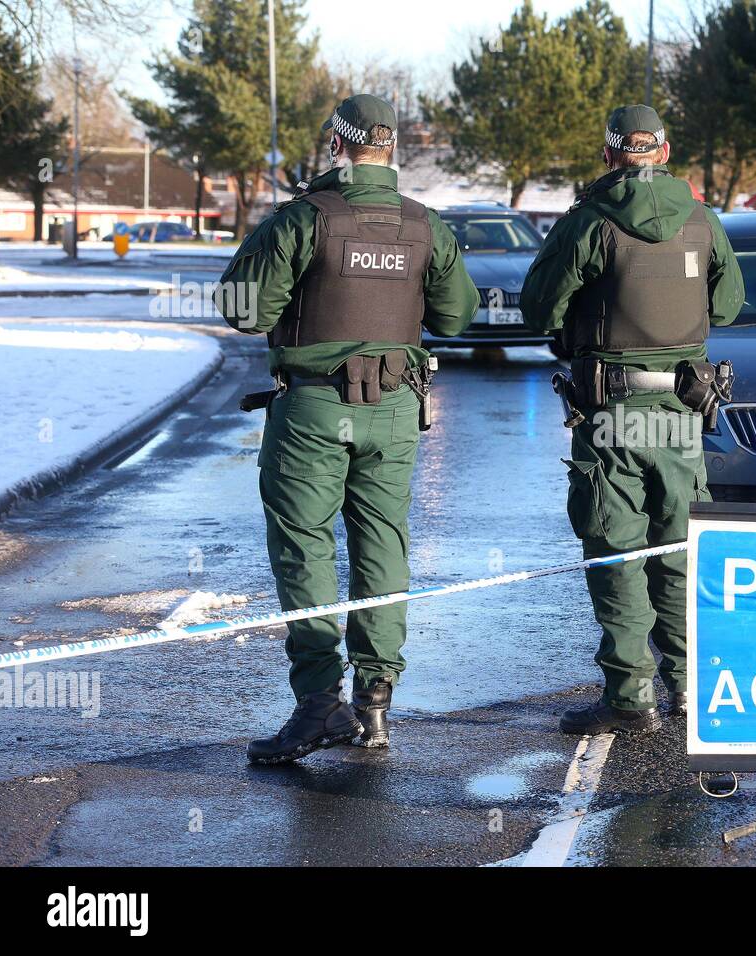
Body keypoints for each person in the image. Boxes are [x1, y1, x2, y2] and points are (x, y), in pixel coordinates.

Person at [214, 94, 478, 763]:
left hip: (313, 410)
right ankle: (377, 704)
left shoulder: (304, 219)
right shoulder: (426, 226)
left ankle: (318, 705)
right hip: (394, 409)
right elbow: (456, 316)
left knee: (305, 551)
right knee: (383, 548)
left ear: (336, 143)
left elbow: (243, 309)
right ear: (391, 148)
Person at [520, 104, 745, 735]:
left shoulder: (590, 222)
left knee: (616, 549)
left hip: (612, 415)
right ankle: (688, 686)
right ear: (665, 153)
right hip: (682, 414)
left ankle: (629, 695)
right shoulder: (702, 221)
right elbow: (727, 305)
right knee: (677, 550)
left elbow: (539, 308)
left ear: (611, 154)